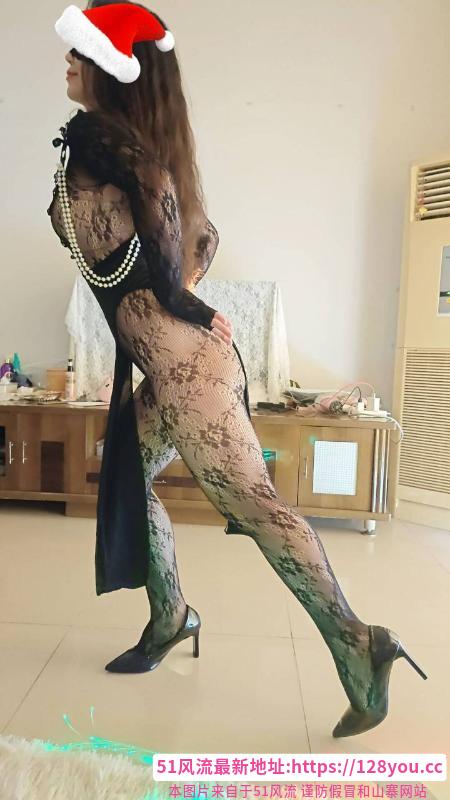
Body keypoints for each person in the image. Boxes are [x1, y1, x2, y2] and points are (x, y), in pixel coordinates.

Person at [47, 0, 427, 738]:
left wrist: (177, 301)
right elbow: (202, 236)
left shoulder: (105, 141)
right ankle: (171, 616)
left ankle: (359, 641)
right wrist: (176, 294)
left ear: (110, 69)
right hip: (175, 370)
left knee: (256, 508)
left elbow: (160, 205)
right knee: (129, 476)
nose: (67, 61)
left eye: (79, 51)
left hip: (190, 374)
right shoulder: (119, 144)